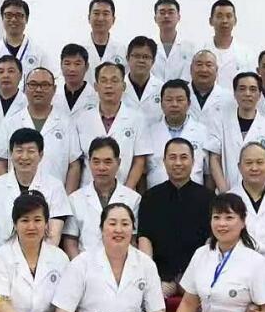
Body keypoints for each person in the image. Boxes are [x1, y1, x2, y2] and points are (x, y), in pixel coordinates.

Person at [138, 138, 215, 298]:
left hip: (196, 275)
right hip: (162, 276)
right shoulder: (150, 197)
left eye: (184, 157)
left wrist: (199, 276)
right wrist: (151, 276)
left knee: (208, 299)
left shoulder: (208, 198)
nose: (178, 163)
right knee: (149, 299)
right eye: (172, 157)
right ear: (164, 161)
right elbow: (145, 238)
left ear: (193, 161)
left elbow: (211, 240)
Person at [0, 128, 72, 254]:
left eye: (31, 151)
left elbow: (53, 236)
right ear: (11, 154)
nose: (24, 156)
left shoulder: (55, 187)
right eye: (19, 151)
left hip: (41, 258)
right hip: (1, 259)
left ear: (41, 155)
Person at [0, 67, 80, 189]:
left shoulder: (67, 123)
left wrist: (67, 196)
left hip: (54, 194)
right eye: (33, 84)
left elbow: (74, 165)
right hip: (17, 195)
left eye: (45, 85)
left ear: (54, 89)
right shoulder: (11, 122)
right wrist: (5, 193)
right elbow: (1, 161)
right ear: (25, 88)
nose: (38, 89)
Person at [209, 72, 265, 192]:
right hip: (228, 192)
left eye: (253, 89)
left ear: (259, 95)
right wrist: (224, 192)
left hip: (262, 194)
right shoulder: (221, 123)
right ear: (235, 93)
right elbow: (214, 159)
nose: (247, 94)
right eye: (242, 89)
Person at [75, 61, 152, 191]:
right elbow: (77, 161)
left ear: (124, 86)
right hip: (88, 191)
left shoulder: (137, 119)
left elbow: (139, 160)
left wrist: (126, 191)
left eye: (114, 81)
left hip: (124, 189)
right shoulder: (83, 119)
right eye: (104, 80)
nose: (109, 86)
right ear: (96, 86)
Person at [62, 137, 142, 257]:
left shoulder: (133, 199)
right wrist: (80, 266)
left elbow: (133, 240)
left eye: (107, 162)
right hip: (85, 263)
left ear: (118, 163)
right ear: (89, 162)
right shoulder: (75, 199)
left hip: (121, 262)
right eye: (96, 161)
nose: (101, 167)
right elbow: (70, 241)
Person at [142, 79, 215, 189]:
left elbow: (208, 173)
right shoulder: (149, 132)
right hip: (157, 195)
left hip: (194, 195)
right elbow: (142, 173)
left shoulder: (203, 132)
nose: (174, 104)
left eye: (180, 100)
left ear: (189, 103)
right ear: (161, 104)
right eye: (169, 100)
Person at [0, 0, 54, 89]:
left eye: (19, 15)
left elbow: (48, 82)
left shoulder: (39, 52)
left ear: (26, 19)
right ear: (2, 18)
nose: (13, 19)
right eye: (8, 15)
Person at [228, 142, 265, 255]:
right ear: (239, 167)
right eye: (248, 163)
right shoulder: (227, 201)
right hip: (237, 262)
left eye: (260, 162)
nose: (254, 168)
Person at [202, 0, 253, 89]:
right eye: (219, 16)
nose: (224, 21)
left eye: (229, 16)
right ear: (211, 21)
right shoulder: (201, 51)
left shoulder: (246, 54)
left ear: (235, 21)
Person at [80, 0, 127, 83]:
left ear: (113, 19)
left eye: (105, 14)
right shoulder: (79, 49)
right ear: (89, 18)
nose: (100, 18)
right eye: (96, 13)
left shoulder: (122, 50)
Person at [153, 0, 197, 83]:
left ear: (178, 17)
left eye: (171, 12)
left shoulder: (191, 47)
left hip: (182, 91)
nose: (166, 16)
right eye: (162, 13)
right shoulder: (149, 46)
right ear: (155, 18)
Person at [121, 36, 164, 125]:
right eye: (136, 56)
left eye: (146, 57)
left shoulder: (162, 89)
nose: (141, 60)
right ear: (127, 58)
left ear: (153, 61)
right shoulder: (117, 87)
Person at [186, 48, 232, 125]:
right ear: (191, 69)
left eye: (209, 65)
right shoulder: (179, 96)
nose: (204, 69)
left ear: (216, 70)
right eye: (199, 64)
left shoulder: (228, 98)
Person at [55, 43, 98, 118]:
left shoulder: (96, 98)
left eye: (77, 64)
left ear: (86, 67)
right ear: (61, 65)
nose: (72, 69)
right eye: (67, 63)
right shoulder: (53, 96)